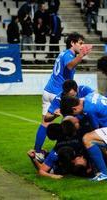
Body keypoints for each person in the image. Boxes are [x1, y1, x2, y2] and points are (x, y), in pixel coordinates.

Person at [33, 33, 92, 161]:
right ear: (72, 43)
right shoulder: (68, 55)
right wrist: (81, 55)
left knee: (45, 122)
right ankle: (66, 152)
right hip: (59, 93)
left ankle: (37, 151)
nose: (82, 46)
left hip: (48, 90)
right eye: (80, 43)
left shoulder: (63, 53)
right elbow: (70, 65)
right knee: (69, 122)